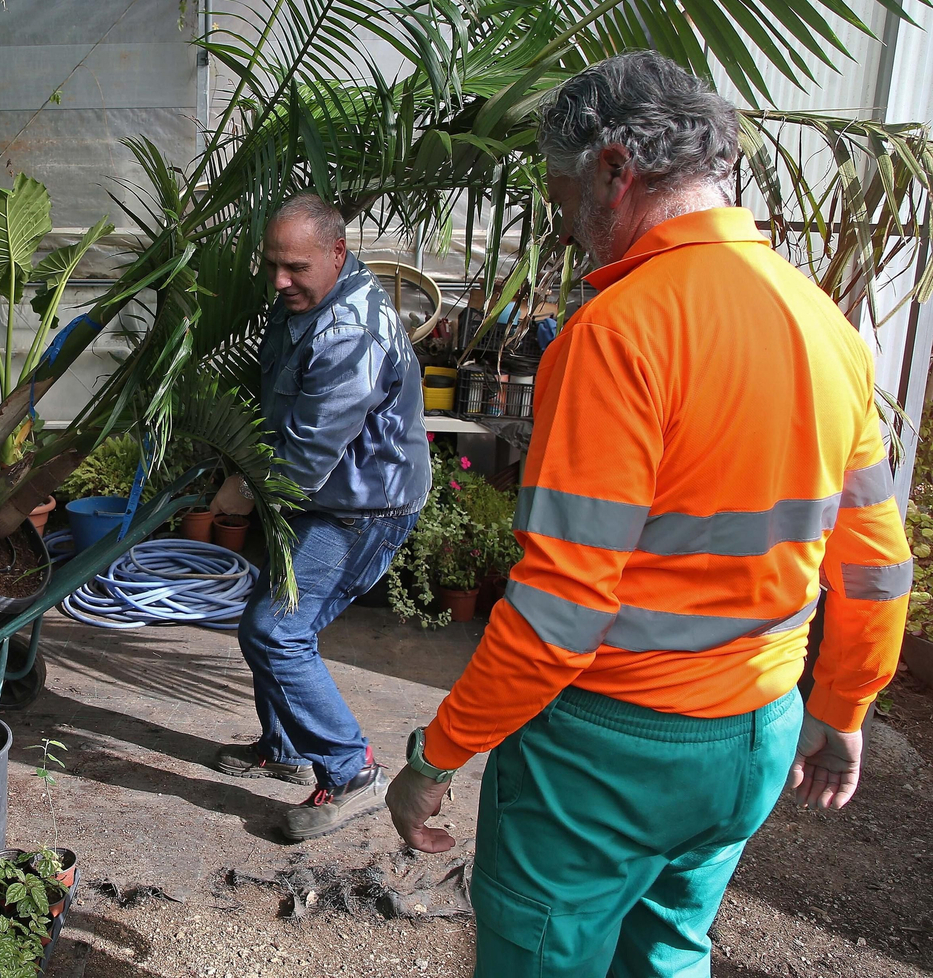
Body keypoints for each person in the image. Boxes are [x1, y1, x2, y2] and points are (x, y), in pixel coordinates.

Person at [386, 51, 911, 976]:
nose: (569, 230)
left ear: (614, 170)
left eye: (561, 200)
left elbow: (560, 609)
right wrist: (843, 706)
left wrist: (439, 755)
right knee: (668, 947)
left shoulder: (617, 332)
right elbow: (876, 562)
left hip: (609, 754)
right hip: (756, 732)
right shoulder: (824, 321)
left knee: (544, 954)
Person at [211, 192, 431, 841]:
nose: (280, 282)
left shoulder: (349, 330)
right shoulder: (305, 299)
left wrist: (242, 492)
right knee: (271, 622)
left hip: (362, 507)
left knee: (277, 630)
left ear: (337, 254)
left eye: (296, 268)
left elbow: (306, 457)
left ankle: (352, 771)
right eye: (273, 265)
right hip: (320, 497)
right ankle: (283, 748)